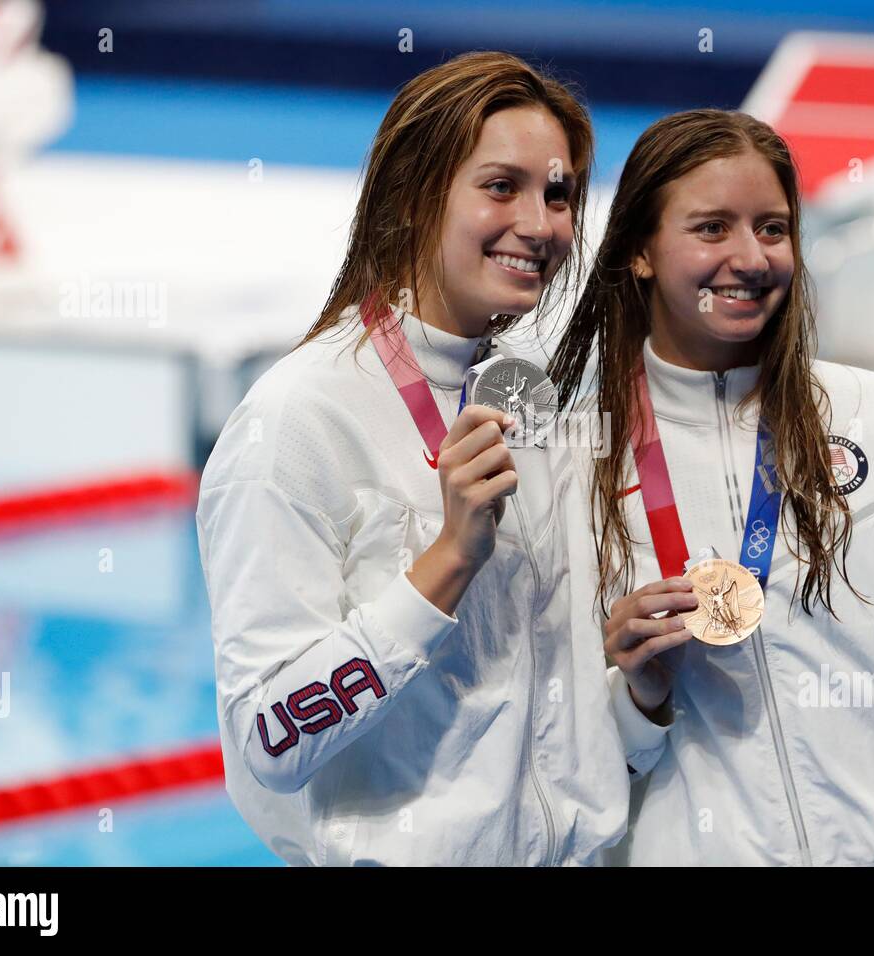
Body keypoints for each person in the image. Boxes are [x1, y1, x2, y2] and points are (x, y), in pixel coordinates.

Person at [548, 109, 874, 866]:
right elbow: (556, 778)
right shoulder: (566, 468)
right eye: (711, 229)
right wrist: (637, 696)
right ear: (640, 250)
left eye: (772, 228)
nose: (750, 257)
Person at [196, 52, 627, 865]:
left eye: (558, 192)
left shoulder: (532, 405)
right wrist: (444, 564)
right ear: (411, 196)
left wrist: (642, 693)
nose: (540, 225)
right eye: (501, 187)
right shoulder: (296, 421)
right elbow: (269, 739)